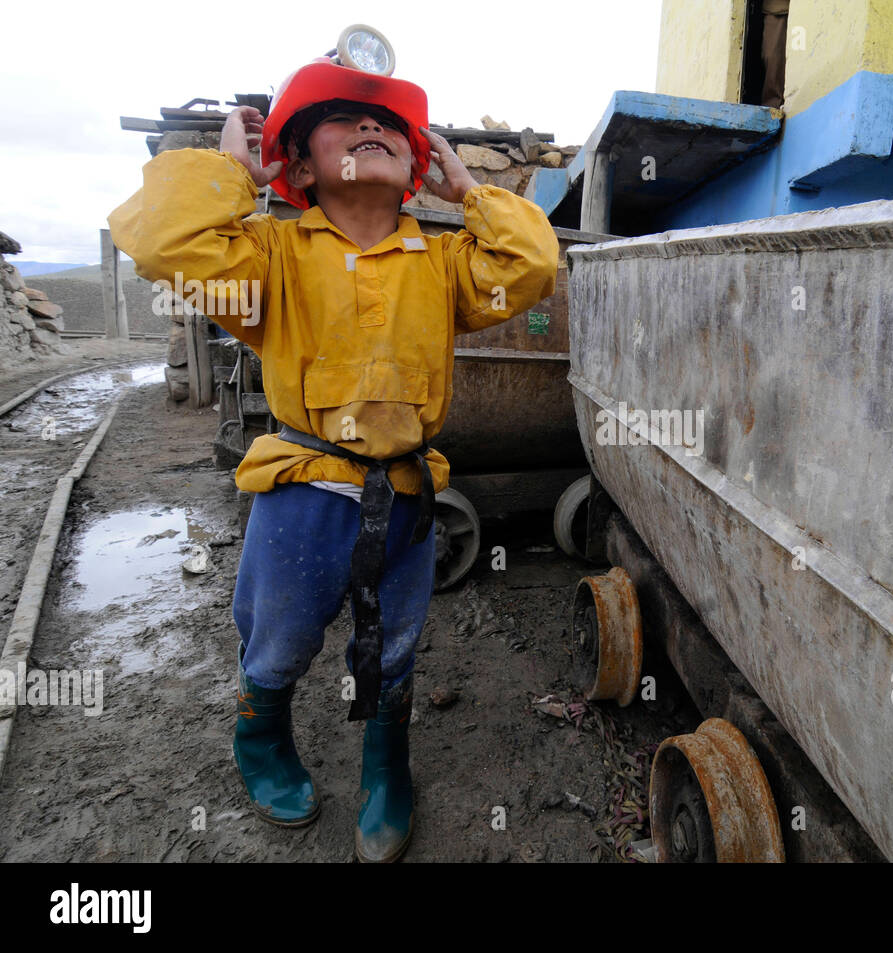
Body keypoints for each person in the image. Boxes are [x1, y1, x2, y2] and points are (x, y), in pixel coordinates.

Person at [108, 55, 559, 862]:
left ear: (415, 165)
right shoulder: (269, 258)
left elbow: (532, 266)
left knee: (397, 642)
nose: (373, 126)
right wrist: (230, 170)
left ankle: (388, 766)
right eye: (343, 118)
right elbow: (164, 240)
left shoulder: (446, 263)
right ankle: (263, 737)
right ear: (302, 164)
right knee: (279, 637)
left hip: (410, 492)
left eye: (388, 122)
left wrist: (469, 193)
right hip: (302, 492)